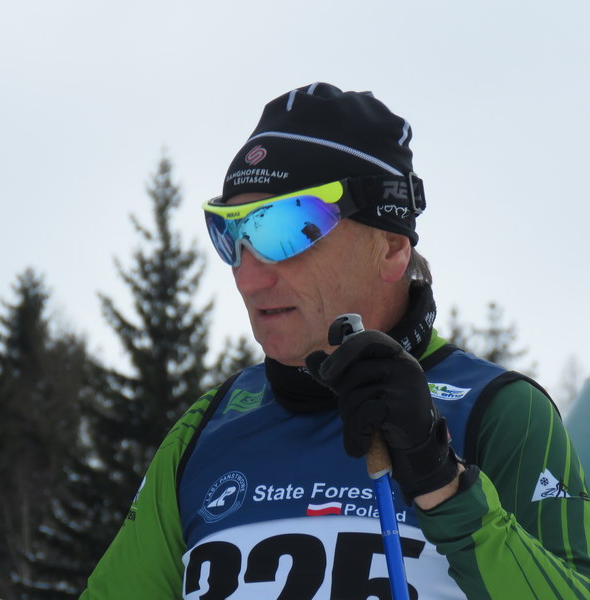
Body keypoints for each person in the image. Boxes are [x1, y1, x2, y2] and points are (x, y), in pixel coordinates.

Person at [80, 83, 590, 599]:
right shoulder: (206, 428)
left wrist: (443, 483)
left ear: (391, 247)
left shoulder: (498, 411)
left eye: (284, 231)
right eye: (230, 235)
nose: (249, 279)